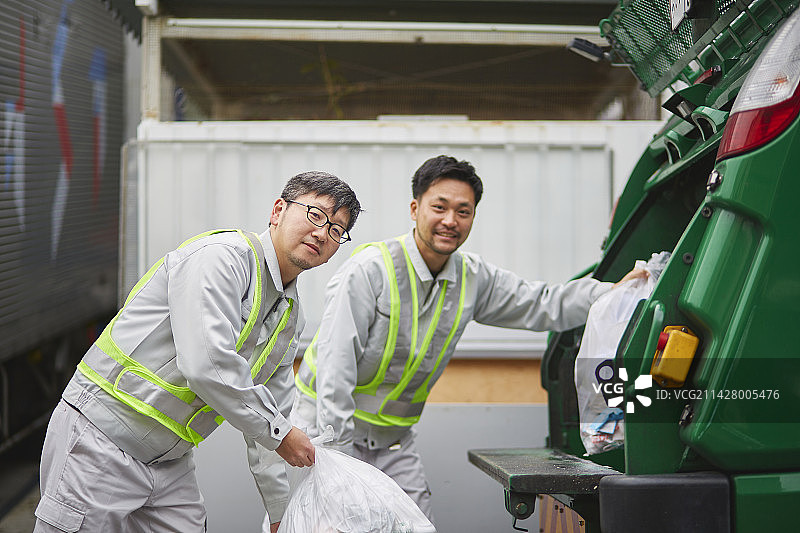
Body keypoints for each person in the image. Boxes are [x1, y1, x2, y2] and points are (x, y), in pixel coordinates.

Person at [261, 155, 646, 530]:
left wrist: (614, 294)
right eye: (439, 207)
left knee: (415, 526)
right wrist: (338, 463)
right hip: (325, 436)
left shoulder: (473, 278)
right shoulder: (370, 271)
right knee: (322, 526)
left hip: (394, 445)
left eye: (463, 211)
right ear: (415, 208)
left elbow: (544, 302)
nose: (450, 220)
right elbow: (334, 371)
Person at [33, 171, 362, 533]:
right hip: (101, 438)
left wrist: (281, 514)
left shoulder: (289, 314)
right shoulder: (222, 258)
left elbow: (274, 412)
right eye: (315, 215)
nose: (322, 232)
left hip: (170, 462)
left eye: (335, 230)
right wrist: (282, 434)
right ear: (278, 210)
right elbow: (206, 364)